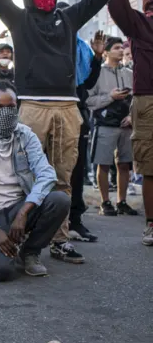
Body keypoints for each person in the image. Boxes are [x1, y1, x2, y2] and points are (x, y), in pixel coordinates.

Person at [0, 0, 128, 264]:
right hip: (33, 108)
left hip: (67, 108)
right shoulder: (19, 19)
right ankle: (19, 236)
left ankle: (60, 240)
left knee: (63, 178)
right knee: (27, 177)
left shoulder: (68, 18)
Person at [0, 81, 70, 281]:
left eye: (10, 107)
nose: (6, 112)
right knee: (1, 272)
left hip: (18, 207)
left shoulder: (25, 134)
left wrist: (23, 212)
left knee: (59, 200)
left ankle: (30, 252)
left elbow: (47, 174)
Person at [108, 0, 153, 246]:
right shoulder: (140, 23)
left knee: (150, 168)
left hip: (147, 99)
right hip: (147, 98)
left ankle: (151, 225)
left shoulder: (140, 23)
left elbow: (117, 6)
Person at [87, 37, 139, 217]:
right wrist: (110, 97)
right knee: (104, 164)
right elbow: (88, 100)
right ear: (107, 51)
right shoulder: (97, 73)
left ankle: (122, 202)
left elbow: (137, 99)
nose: (120, 50)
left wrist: (132, 116)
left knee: (124, 164)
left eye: (121, 47)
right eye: (116, 47)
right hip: (105, 124)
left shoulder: (130, 73)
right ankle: (105, 202)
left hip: (126, 126)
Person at [68, 31, 105, 243]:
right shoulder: (45, 45)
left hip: (76, 113)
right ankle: (45, 220)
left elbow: (88, 84)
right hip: (50, 111)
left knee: (77, 168)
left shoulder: (82, 48)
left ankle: (74, 220)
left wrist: (97, 57)